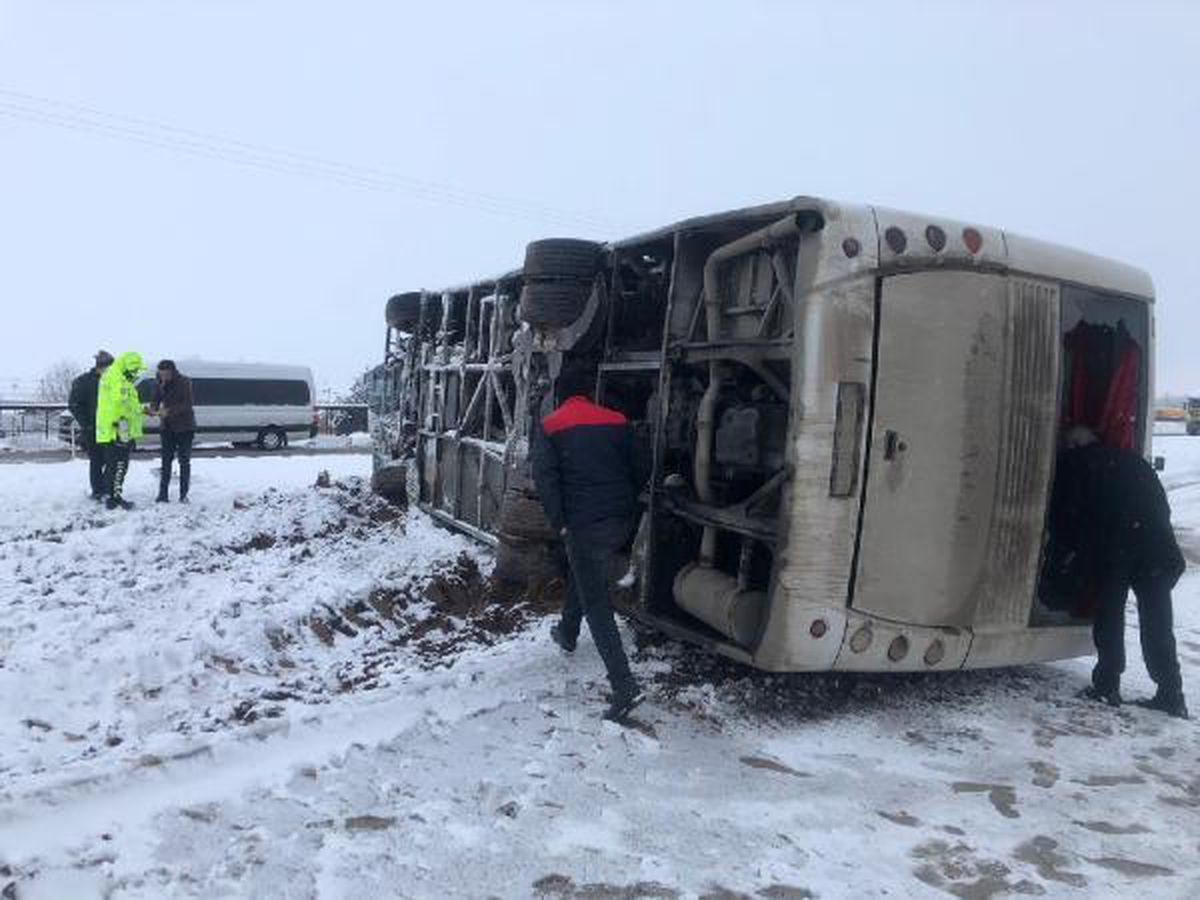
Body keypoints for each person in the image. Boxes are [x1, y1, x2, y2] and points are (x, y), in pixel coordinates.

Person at [1046, 425, 1188, 719]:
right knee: (1158, 622)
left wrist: (1063, 558)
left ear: (1073, 445)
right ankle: (1171, 694)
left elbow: (1066, 515)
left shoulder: (1076, 463)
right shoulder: (1133, 461)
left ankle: (1107, 686)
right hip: (1157, 548)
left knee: (1110, 617)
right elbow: (1161, 505)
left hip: (1116, 550)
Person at [531, 368, 647, 720]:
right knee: (585, 572)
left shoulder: (551, 426)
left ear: (559, 396)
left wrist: (560, 523)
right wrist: (628, 502)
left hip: (584, 525)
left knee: (596, 602)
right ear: (589, 394)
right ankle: (568, 631)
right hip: (621, 520)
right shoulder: (616, 421)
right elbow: (643, 466)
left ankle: (624, 686)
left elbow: (546, 481)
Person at [96, 351, 145, 511]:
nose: (135, 373)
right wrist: (123, 427)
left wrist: (141, 410)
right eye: (134, 370)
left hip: (117, 429)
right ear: (127, 367)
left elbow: (127, 404)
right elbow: (120, 404)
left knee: (115, 464)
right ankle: (114, 498)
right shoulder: (118, 378)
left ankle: (111, 496)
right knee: (119, 465)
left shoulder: (117, 377)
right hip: (118, 430)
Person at [67, 350, 114, 500]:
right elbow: (74, 405)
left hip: (110, 428)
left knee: (110, 460)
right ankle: (98, 491)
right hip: (92, 428)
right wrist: (86, 424)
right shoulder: (83, 381)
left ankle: (105, 489)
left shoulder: (113, 380)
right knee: (97, 461)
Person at [148, 359, 196, 503]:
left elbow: (186, 404)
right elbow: (155, 399)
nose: (163, 376)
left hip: (185, 428)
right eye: (161, 374)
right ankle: (163, 495)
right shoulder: (158, 382)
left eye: (166, 374)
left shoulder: (184, 382)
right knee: (166, 461)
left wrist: (168, 411)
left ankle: (183, 495)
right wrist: (152, 409)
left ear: (172, 371)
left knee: (184, 461)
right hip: (167, 428)